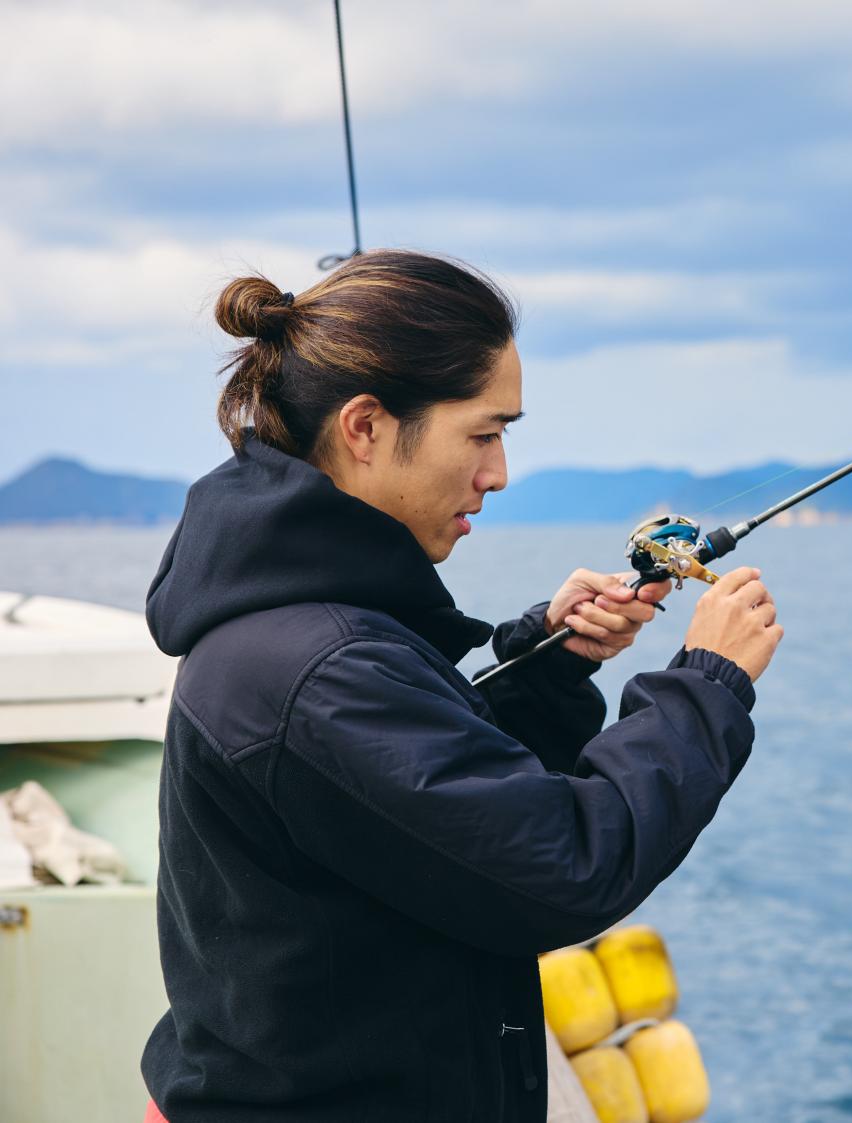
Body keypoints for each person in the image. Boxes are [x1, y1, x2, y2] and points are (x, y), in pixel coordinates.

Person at [140, 250, 782, 1121]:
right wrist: (707, 683)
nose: (499, 471)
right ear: (365, 427)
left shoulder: (306, 624)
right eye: (483, 432)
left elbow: (429, 796)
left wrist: (552, 661)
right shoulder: (320, 666)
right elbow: (559, 867)